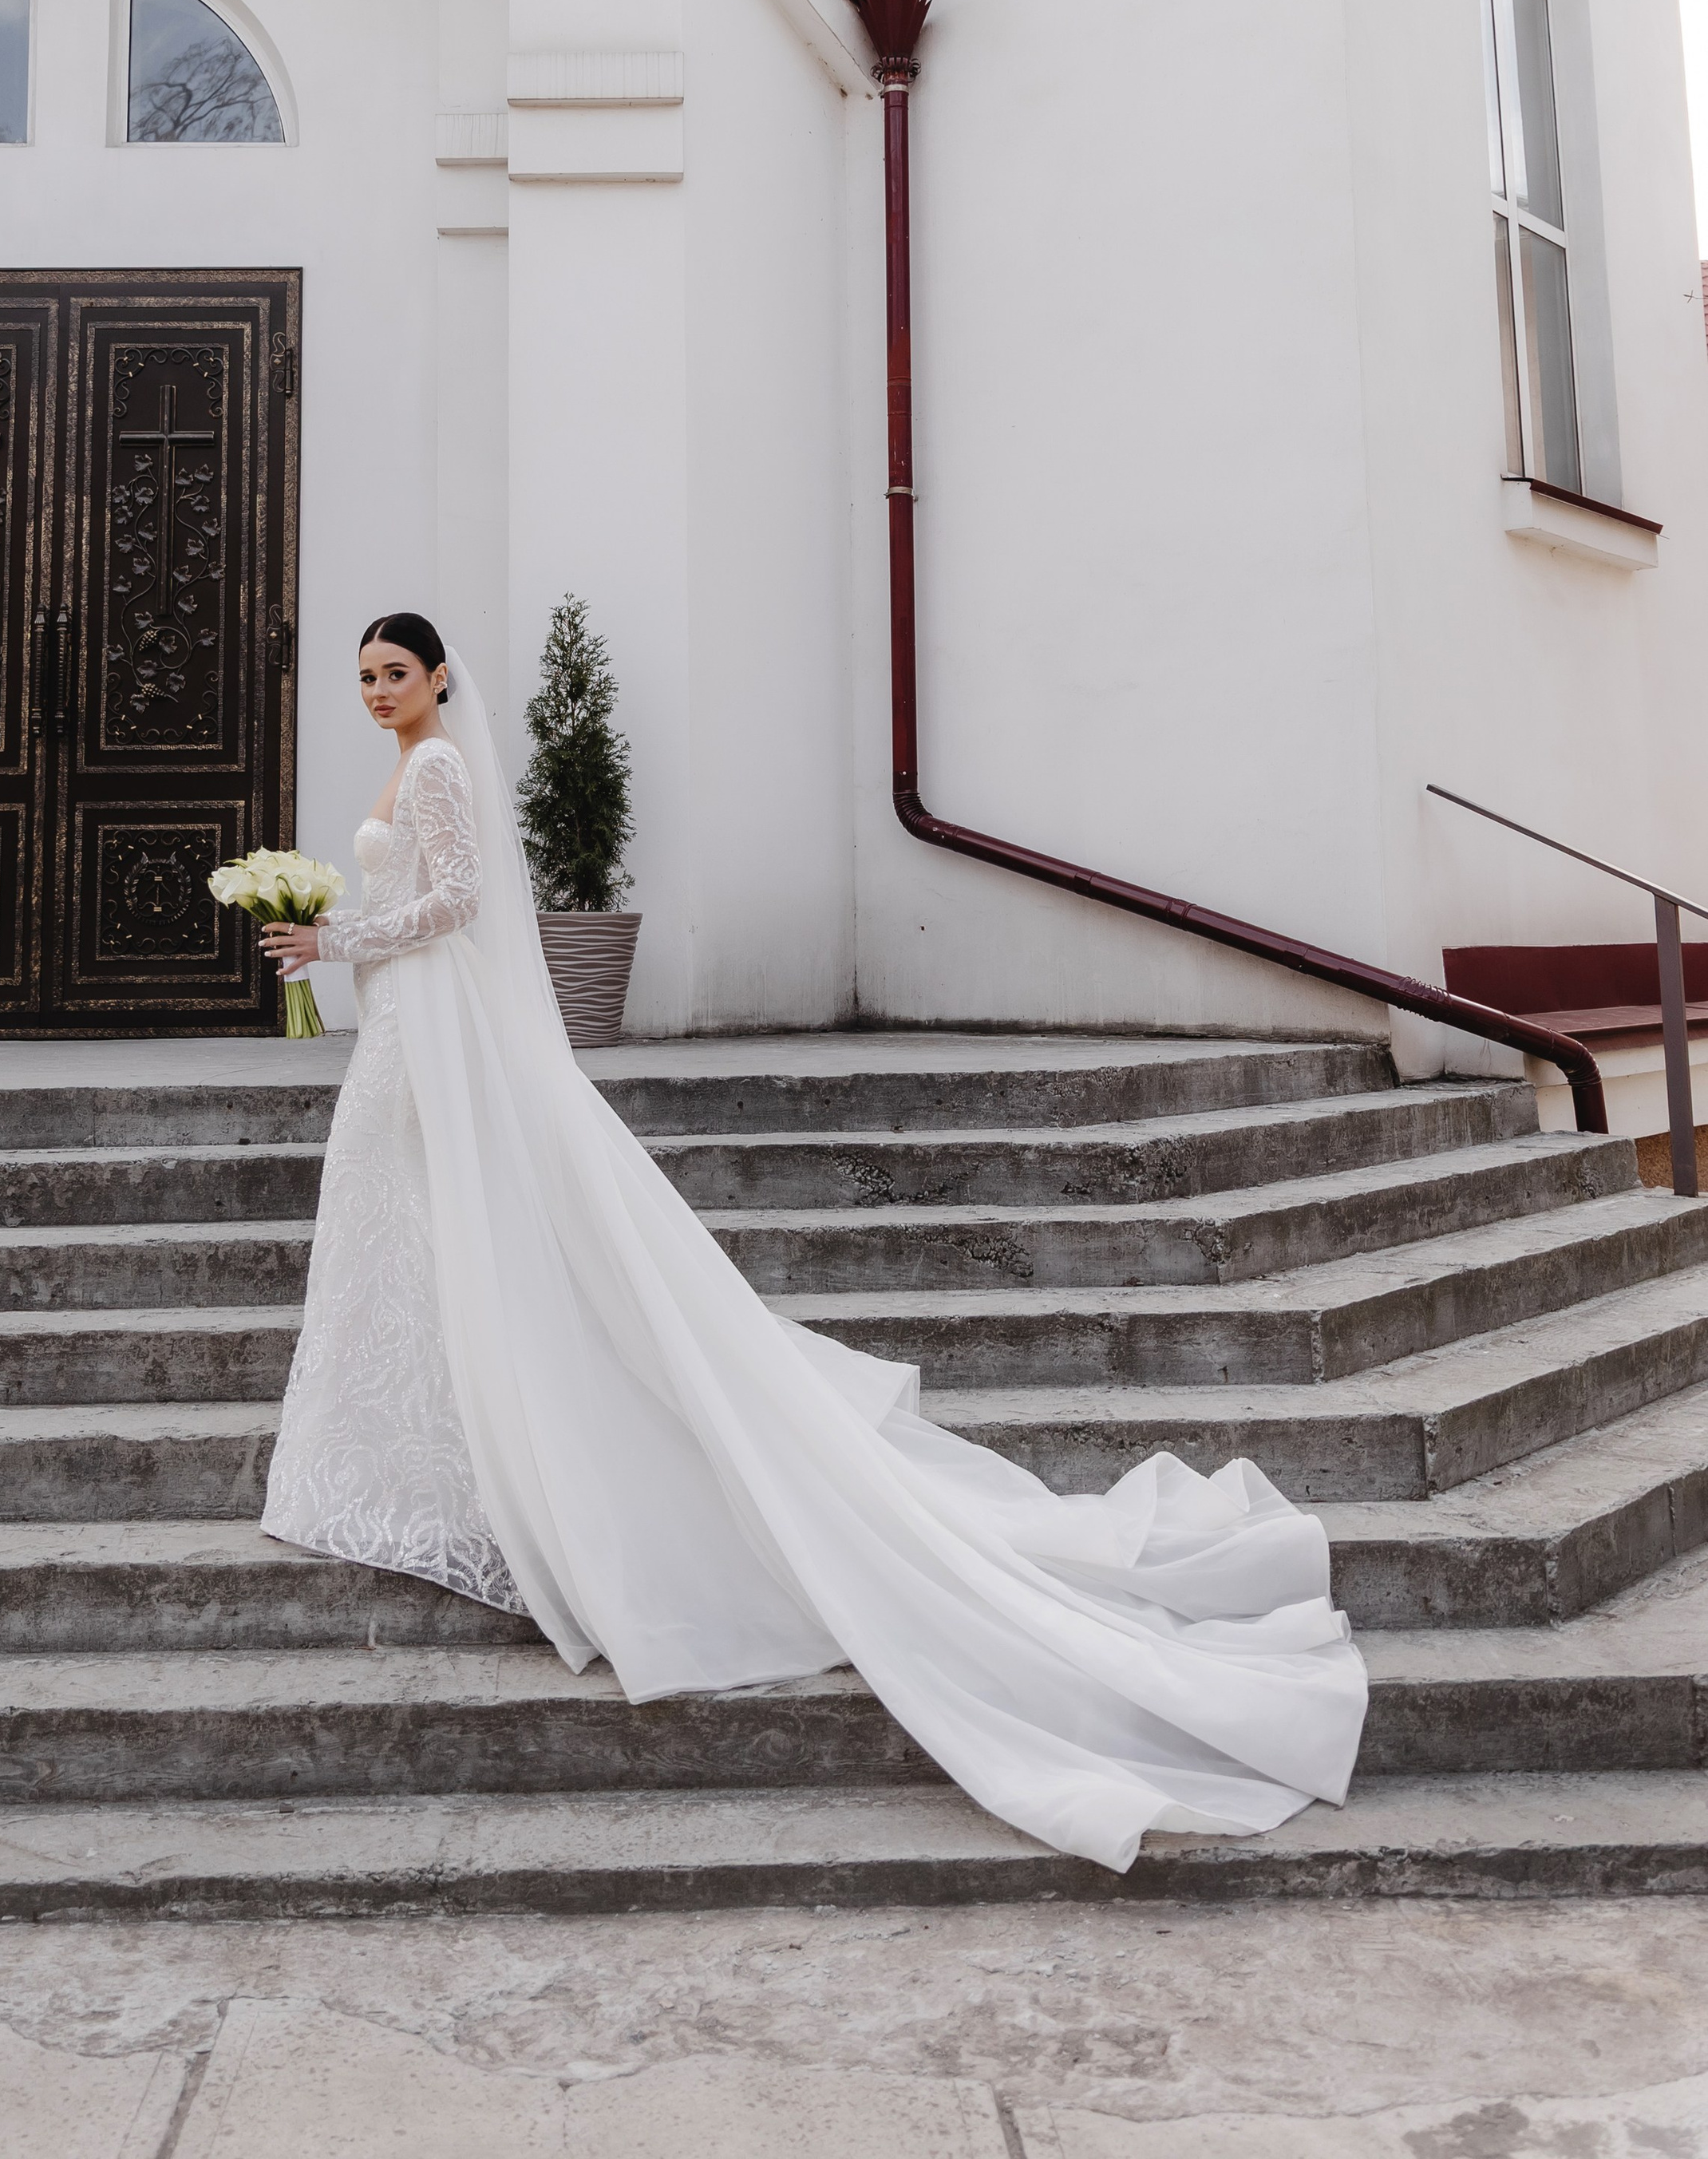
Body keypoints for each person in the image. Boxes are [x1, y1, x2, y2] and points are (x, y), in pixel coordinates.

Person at [259, 612, 1368, 1872]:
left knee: (464, 1235)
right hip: (412, 1027)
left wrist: (333, 938)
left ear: (441, 676)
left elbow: (457, 900)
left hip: (435, 1022)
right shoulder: (410, 764)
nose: (376, 693)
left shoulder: (446, 764)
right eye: (362, 678)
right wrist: (344, 949)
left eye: (394, 673)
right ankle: (420, 1461)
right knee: (411, 1239)